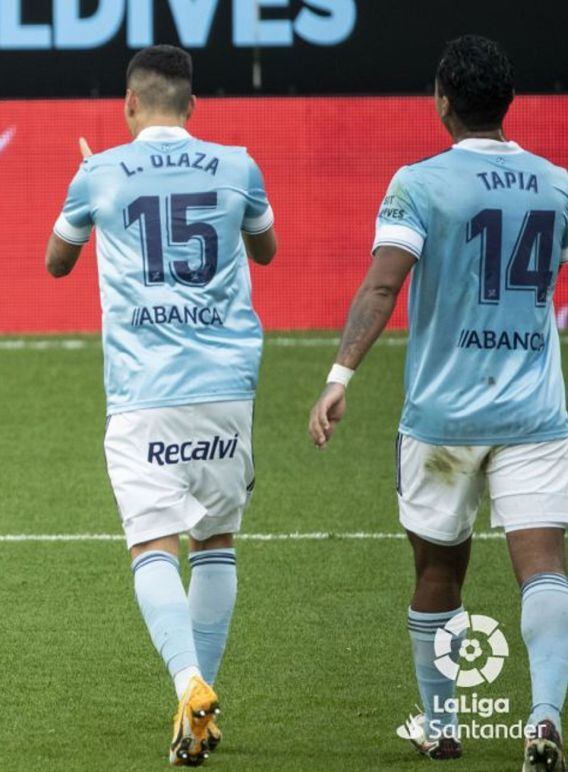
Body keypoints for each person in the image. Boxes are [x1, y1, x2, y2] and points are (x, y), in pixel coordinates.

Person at [308, 34, 568, 770]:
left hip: (443, 418)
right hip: (536, 414)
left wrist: (340, 375)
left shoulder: (419, 183)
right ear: (508, 104)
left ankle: (443, 724)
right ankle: (544, 717)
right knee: (544, 567)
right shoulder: (557, 184)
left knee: (437, 574)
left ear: (443, 103)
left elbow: (383, 285)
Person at [46, 44, 277, 766]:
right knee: (216, 542)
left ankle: (188, 682)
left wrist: (90, 185)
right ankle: (197, 715)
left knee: (153, 545)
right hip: (228, 386)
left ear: (128, 104)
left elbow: (56, 262)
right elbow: (265, 250)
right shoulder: (238, 164)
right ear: (193, 108)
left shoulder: (99, 172)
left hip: (145, 390)